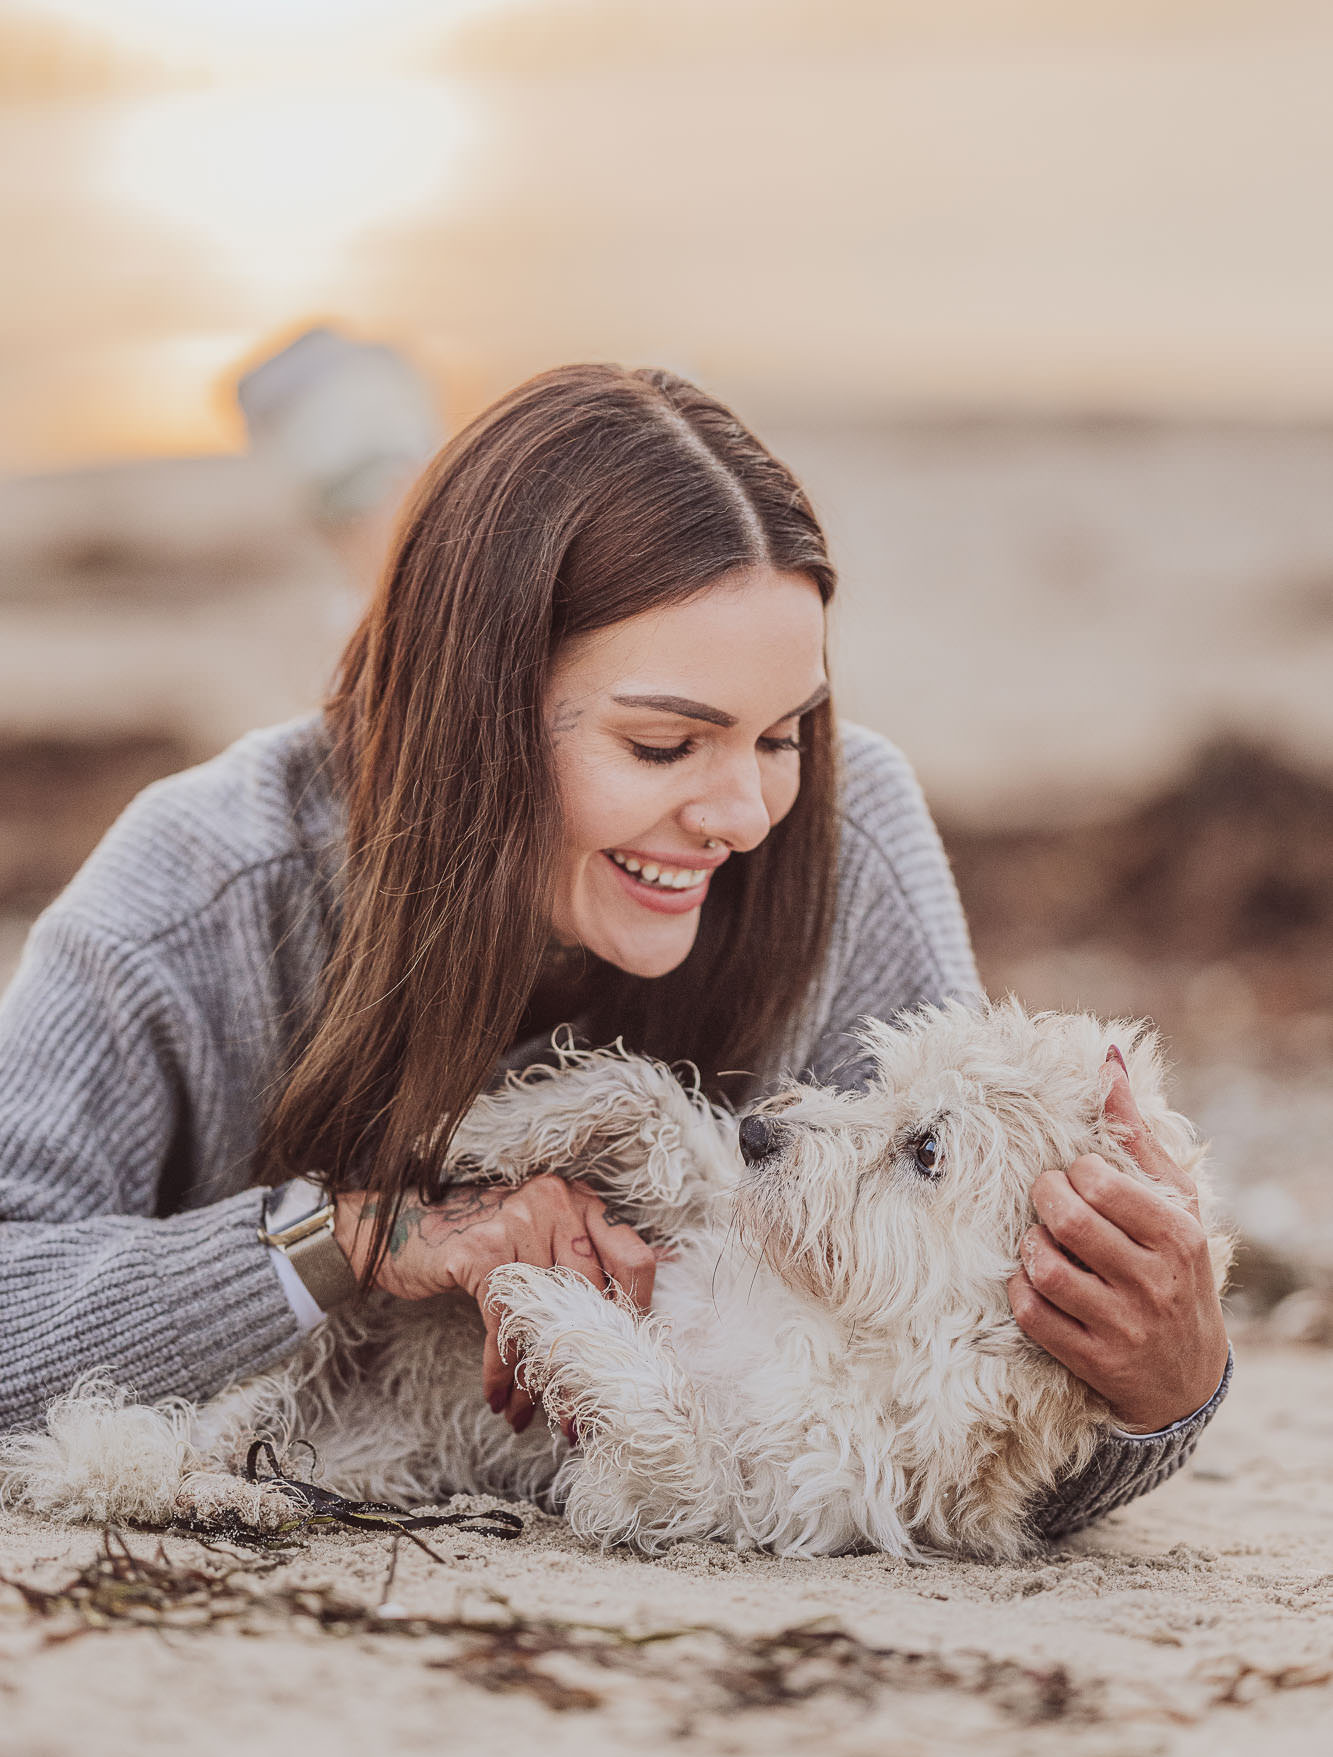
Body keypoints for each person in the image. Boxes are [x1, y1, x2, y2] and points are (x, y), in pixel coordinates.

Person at [0, 364, 1230, 1537]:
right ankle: (360, 454)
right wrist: (354, 1234)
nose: (745, 816)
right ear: (478, 715)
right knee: (395, 561)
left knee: (426, 567)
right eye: (662, 746)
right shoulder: (193, 890)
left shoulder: (842, 845)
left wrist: (1161, 1388)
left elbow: (939, 1450)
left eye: (782, 733)